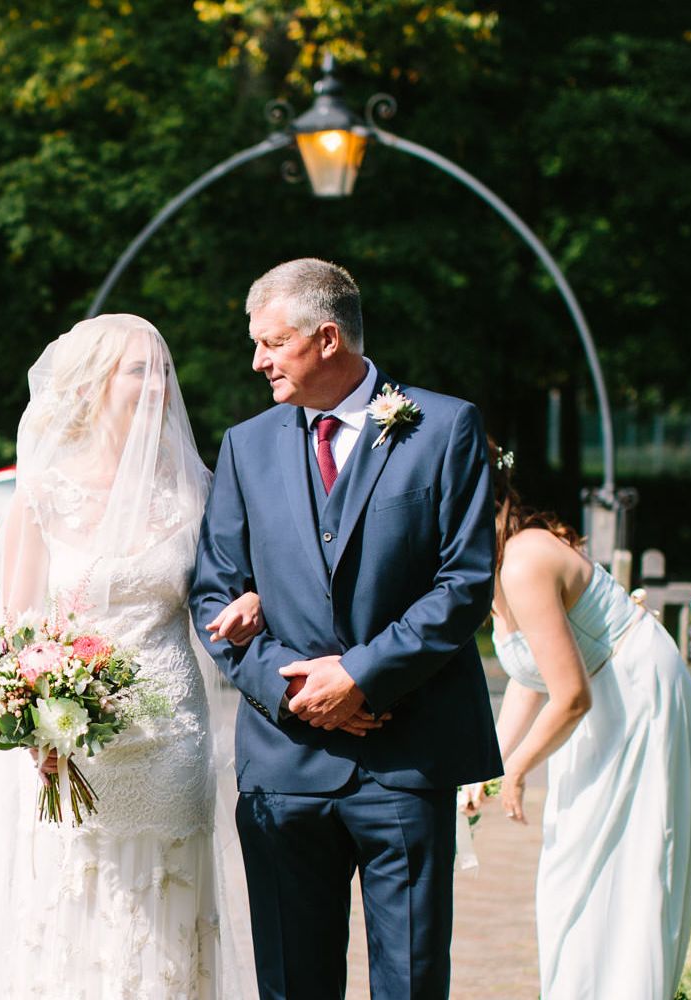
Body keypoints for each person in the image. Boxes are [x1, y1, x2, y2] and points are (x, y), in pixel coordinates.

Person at [189, 258, 501, 999]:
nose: (257, 361)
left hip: (405, 755)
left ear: (328, 338)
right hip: (285, 761)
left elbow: (465, 584)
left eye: (272, 343)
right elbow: (215, 593)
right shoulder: (246, 444)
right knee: (293, 983)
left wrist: (358, 674)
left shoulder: (444, 427)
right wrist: (290, 686)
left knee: (412, 979)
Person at [0, 314, 261, 999]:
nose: (158, 385)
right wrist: (26, 711)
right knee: (66, 902)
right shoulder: (45, 492)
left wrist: (251, 607)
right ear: (93, 385)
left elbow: (223, 595)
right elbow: (13, 628)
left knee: (162, 907)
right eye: (139, 371)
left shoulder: (197, 490)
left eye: (164, 370)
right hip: (63, 742)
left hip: (169, 733)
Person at [467, 438, 691, 1000]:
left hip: (635, 694)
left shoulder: (524, 559)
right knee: (572, 868)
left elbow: (570, 696)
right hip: (598, 702)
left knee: (629, 865)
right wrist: (488, 766)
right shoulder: (496, 562)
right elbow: (534, 676)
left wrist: (519, 769)